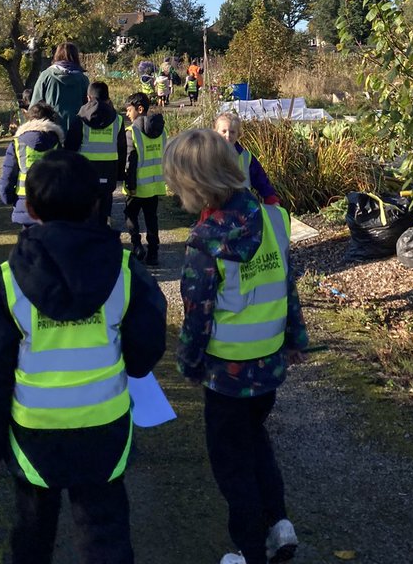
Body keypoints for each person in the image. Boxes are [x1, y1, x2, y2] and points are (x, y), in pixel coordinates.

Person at [0, 149, 167, 564]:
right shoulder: (126, 270)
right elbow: (146, 348)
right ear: (96, 205)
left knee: (31, 536)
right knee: (105, 538)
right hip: (104, 430)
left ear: (33, 209)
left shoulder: (9, 280)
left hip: (33, 436)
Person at [163, 128, 307, 564]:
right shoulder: (275, 221)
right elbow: (287, 286)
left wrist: (188, 365)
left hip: (225, 376)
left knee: (231, 465)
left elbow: (198, 314)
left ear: (193, 187)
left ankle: (248, 551)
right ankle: (278, 524)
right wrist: (295, 339)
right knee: (256, 441)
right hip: (268, 369)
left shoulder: (204, 243)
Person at [66, 81, 125, 225]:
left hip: (84, 172)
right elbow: (123, 148)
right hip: (108, 171)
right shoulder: (118, 120)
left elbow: (70, 148)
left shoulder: (80, 119)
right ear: (108, 98)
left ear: (88, 97)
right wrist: (121, 175)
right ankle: (103, 237)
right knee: (104, 212)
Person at [0, 103, 64, 227]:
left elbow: (8, 174)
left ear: (29, 119)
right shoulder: (57, 142)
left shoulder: (17, 143)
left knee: (29, 242)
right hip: (50, 200)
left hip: (24, 200)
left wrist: (6, 196)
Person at [122, 92, 167, 266]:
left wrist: (129, 184)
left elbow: (130, 162)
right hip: (155, 185)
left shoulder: (132, 132)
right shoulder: (162, 131)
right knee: (151, 218)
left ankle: (137, 246)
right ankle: (153, 252)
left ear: (139, 109)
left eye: (129, 110)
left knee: (130, 214)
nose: (127, 114)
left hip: (137, 186)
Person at [213, 112, 281, 206]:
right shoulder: (208, 156)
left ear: (238, 134)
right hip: (216, 209)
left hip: (242, 210)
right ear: (215, 133)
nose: (228, 135)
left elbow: (261, 180)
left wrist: (271, 199)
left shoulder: (246, 157)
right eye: (224, 131)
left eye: (232, 132)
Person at [30, 43, 90, 133]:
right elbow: (89, 106)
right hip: (77, 131)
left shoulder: (46, 76)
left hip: (51, 130)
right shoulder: (83, 80)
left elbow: (35, 107)